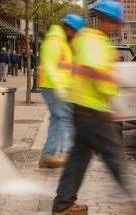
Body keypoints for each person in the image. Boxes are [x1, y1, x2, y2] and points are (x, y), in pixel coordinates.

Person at [52, 2, 128, 215]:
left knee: (78, 159)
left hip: (83, 107)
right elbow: (95, 71)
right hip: (93, 109)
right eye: (116, 23)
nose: (118, 28)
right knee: (113, 155)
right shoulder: (93, 41)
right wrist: (110, 91)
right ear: (105, 20)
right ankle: (131, 197)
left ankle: (63, 204)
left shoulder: (90, 39)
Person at [38, 15, 85, 168]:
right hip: (53, 86)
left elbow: (66, 67)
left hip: (56, 87)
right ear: (68, 28)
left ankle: (48, 155)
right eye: (75, 32)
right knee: (66, 118)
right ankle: (73, 156)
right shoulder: (54, 42)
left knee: (57, 119)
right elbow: (50, 66)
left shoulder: (62, 42)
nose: (76, 35)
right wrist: (59, 87)